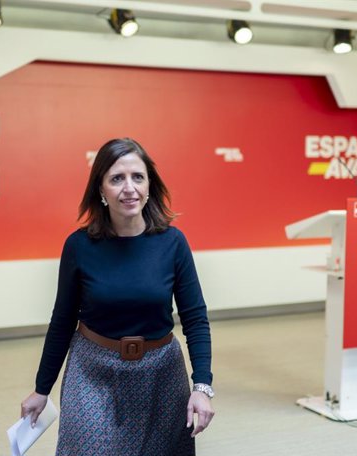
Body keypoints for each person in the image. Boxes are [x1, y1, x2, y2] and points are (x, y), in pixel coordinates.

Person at [21, 138, 214, 455]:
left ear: (149, 184)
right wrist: (42, 389)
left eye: (138, 177)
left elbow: (195, 319)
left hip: (161, 375)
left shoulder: (173, 243)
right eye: (116, 179)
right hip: (93, 371)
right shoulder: (79, 246)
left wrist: (202, 387)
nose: (129, 188)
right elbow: (62, 322)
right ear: (101, 189)